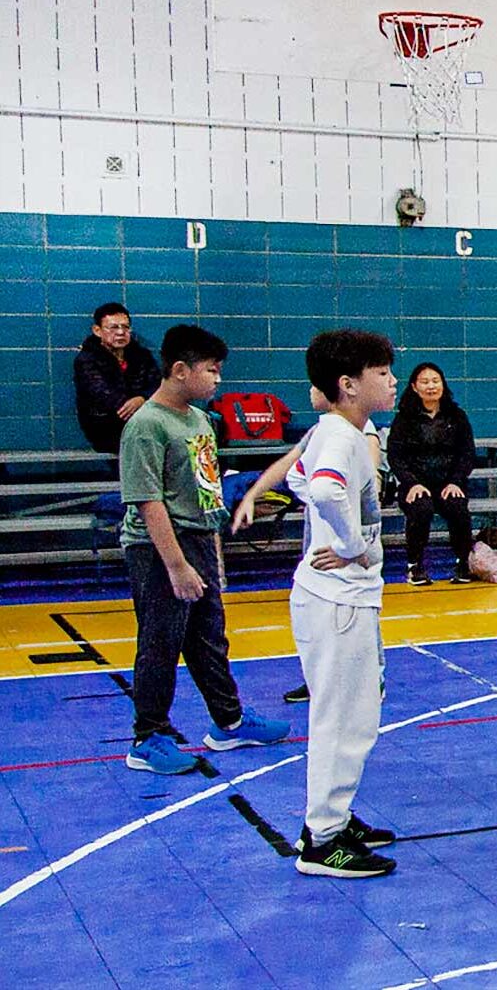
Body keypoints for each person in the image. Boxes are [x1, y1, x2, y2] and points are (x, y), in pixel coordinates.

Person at [119, 324, 288, 775]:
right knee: (160, 642)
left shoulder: (198, 419)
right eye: (211, 371)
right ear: (179, 370)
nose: (218, 380)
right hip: (159, 548)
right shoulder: (146, 426)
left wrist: (212, 543)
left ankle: (229, 721)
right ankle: (148, 736)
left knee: (208, 638)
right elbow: (148, 501)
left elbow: (205, 485)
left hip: (198, 539)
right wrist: (176, 566)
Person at [290, 329, 400, 879]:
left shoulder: (339, 431)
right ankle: (323, 840)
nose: (392, 380)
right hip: (338, 603)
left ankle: (333, 818)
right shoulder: (340, 437)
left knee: (354, 714)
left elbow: (297, 477)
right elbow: (328, 490)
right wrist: (352, 546)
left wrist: (336, 538)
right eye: (381, 372)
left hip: (340, 600)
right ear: (348, 384)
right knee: (344, 720)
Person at [232, 386, 381, 705]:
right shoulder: (322, 430)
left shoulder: (360, 432)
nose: (312, 389)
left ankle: (372, 678)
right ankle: (320, 678)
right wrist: (251, 494)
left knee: (357, 611)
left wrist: (353, 543)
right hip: (320, 539)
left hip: (349, 544)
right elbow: (289, 464)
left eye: (317, 384)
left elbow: (369, 481)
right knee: (319, 613)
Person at [387, 362, 478, 585]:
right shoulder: (404, 419)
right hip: (416, 485)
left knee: (458, 510)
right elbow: (395, 457)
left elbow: (467, 453)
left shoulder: (457, 416)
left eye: (435, 381)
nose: (431, 386)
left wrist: (456, 481)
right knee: (421, 509)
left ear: (443, 385)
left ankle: (463, 562)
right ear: (414, 387)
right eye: (425, 382)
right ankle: (414, 565)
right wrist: (411, 483)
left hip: (449, 483)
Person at [75, 302, 162, 454]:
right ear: (97, 331)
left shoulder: (142, 356)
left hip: (142, 421)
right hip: (104, 426)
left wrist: (142, 398)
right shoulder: (87, 360)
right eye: (114, 327)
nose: (121, 332)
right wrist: (134, 405)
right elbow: (102, 393)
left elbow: (158, 383)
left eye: (125, 327)